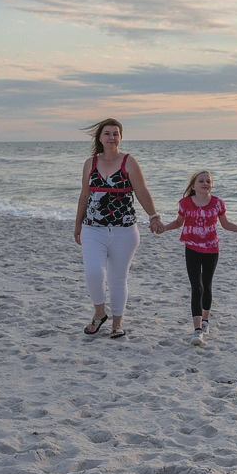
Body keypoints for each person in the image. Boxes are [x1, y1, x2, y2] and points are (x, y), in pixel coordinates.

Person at [74, 118, 163, 339]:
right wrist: (78, 225)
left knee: (118, 278)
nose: (112, 137)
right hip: (93, 229)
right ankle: (99, 313)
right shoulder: (90, 163)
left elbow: (142, 191)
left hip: (125, 230)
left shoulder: (129, 162)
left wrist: (153, 217)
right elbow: (84, 195)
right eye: (107, 133)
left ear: (120, 137)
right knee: (93, 272)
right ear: (100, 138)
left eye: (116, 133)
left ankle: (117, 322)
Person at [160, 170, 237, 346]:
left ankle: (206, 321)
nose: (205, 183)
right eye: (201, 181)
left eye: (208, 181)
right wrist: (163, 228)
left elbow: (226, 224)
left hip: (211, 249)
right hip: (191, 248)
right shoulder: (185, 203)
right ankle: (197, 329)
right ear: (193, 186)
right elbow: (178, 223)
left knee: (207, 285)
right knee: (196, 287)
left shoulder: (217, 203)